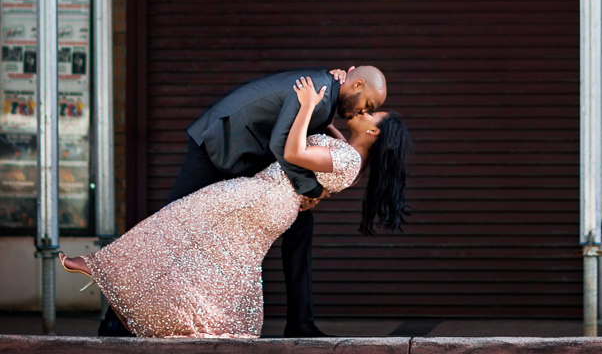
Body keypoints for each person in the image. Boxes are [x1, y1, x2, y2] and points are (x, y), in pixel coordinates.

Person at [60, 75, 412, 338]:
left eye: (373, 113)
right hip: (267, 200)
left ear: (375, 133)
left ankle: (103, 269)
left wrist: (306, 108)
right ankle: (203, 320)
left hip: (261, 198)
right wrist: (336, 93)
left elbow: (292, 152)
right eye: (369, 105)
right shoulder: (349, 154)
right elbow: (325, 149)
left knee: (178, 221)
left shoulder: (349, 161)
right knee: (224, 261)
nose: (366, 112)